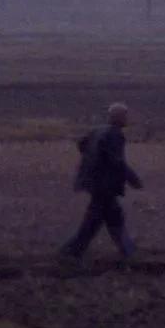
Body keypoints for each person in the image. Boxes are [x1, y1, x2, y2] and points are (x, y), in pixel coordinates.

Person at [62, 102, 144, 260]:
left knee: (107, 218)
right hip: (104, 186)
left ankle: (127, 250)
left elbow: (82, 145)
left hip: (96, 184)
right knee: (96, 221)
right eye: (125, 115)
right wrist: (133, 179)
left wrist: (94, 161)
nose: (127, 118)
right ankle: (70, 252)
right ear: (118, 117)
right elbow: (117, 161)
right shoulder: (115, 135)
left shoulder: (98, 131)